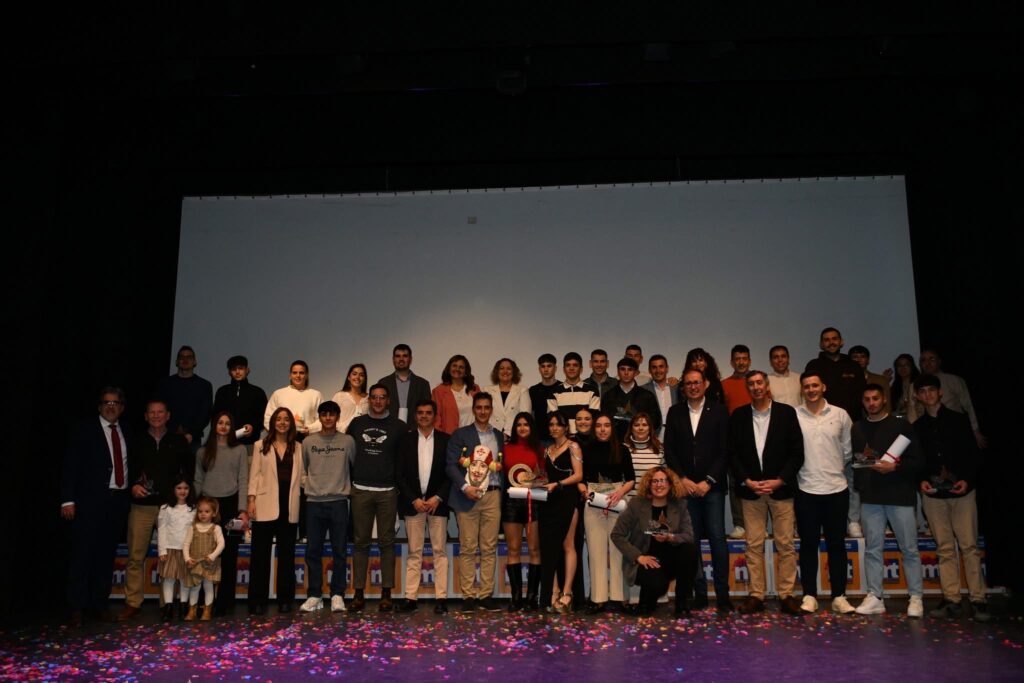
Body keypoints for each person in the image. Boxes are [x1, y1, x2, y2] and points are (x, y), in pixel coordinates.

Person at [728, 370, 804, 615]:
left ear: (767, 385)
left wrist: (780, 480)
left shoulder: (786, 413)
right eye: (751, 384)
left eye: (759, 382)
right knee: (753, 545)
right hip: (752, 491)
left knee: (786, 544)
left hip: (780, 489)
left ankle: (787, 595)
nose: (756, 387)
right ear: (747, 388)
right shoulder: (738, 416)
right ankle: (756, 595)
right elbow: (733, 455)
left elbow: (797, 453)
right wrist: (747, 481)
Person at [914, 374, 989, 621]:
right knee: (944, 548)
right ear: (917, 396)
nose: (928, 395)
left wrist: (967, 479)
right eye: (922, 391)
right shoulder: (918, 427)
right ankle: (951, 598)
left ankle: (978, 599)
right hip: (934, 495)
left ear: (940, 392)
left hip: (962, 490)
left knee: (968, 546)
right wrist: (920, 480)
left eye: (931, 390)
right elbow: (917, 462)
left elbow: (973, 455)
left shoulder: (959, 420)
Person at [851, 384, 925, 618]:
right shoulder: (858, 428)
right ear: (862, 402)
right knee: (873, 549)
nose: (871, 403)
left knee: (909, 549)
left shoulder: (901, 425)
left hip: (900, 497)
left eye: (875, 398)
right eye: (867, 399)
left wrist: (896, 466)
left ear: (883, 400)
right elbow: (858, 461)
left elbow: (918, 462)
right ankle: (875, 596)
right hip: (871, 498)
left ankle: (916, 597)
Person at [61, 387, 133, 626]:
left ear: (122, 407)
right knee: (82, 555)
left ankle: (99, 604)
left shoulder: (128, 431)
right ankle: (76, 608)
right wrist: (68, 499)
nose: (111, 407)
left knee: (105, 556)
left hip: (116, 503)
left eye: (115, 403)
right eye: (106, 403)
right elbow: (71, 465)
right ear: (99, 406)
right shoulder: (84, 430)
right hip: (89, 502)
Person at [663, 368, 732, 612]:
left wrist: (709, 481)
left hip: (711, 488)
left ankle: (723, 595)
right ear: (684, 387)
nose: (692, 387)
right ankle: (699, 593)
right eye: (688, 383)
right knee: (691, 543)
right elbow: (669, 450)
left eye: (696, 383)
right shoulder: (675, 412)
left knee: (717, 539)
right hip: (685, 488)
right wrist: (682, 479)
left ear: (705, 384)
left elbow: (725, 450)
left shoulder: (720, 411)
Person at [119, 399, 192, 621]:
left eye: (161, 412)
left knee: (170, 557)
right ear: (145, 416)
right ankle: (133, 602)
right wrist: (133, 485)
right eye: (152, 412)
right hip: (141, 507)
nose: (156, 416)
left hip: (170, 509)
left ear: (168, 415)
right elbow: (126, 468)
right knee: (135, 557)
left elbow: (187, 471)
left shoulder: (179, 441)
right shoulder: (136, 441)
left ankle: (166, 604)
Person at [794, 372, 856, 615]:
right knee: (808, 544)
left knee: (837, 545)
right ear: (802, 390)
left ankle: (839, 596)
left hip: (836, 489)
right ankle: (810, 595)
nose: (811, 390)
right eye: (807, 386)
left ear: (824, 387)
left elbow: (848, 450)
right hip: (806, 489)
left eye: (815, 385)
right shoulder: (794, 415)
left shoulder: (840, 414)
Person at [346, 385, 406, 612]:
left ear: (388, 400)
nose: (378, 401)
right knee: (360, 542)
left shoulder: (399, 427)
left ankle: (386, 594)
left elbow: (402, 460)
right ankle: (358, 594)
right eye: (374, 397)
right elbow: (348, 456)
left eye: (382, 397)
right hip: (360, 489)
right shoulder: (357, 424)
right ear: (368, 400)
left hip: (388, 491)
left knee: (387, 543)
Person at [446, 392, 505, 612]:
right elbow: (451, 465)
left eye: (486, 407)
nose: (482, 411)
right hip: (466, 496)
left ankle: (486, 595)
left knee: (489, 547)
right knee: (468, 547)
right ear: (474, 409)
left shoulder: (499, 436)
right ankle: (468, 596)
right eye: (479, 407)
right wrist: (465, 487)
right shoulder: (460, 434)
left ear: (491, 409)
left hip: (492, 495)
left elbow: (501, 466)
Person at [611, 466, 697, 616]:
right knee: (659, 584)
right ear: (648, 485)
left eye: (663, 480)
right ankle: (645, 603)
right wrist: (638, 557)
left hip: (670, 559)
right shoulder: (636, 505)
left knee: (689, 550)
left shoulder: (680, 505)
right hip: (645, 560)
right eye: (655, 481)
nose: (659, 485)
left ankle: (682, 605)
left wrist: (671, 537)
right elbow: (617, 534)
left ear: (670, 484)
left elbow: (689, 536)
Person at [299, 401, 355, 614]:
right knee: (313, 551)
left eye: (332, 414)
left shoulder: (348, 441)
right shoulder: (308, 442)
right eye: (324, 414)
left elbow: (353, 466)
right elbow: (303, 469)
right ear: (319, 417)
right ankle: (314, 595)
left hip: (339, 502)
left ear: (337, 417)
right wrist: (312, 487)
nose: (328, 418)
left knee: (339, 550)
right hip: (314, 503)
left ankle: (337, 594)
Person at [247, 407, 302, 615]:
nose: (282, 422)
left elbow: (302, 476)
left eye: (286, 419)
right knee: (259, 555)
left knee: (287, 556)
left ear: (291, 423)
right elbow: (254, 476)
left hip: (289, 506)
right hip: (264, 504)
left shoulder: (298, 447)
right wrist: (251, 500)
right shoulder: (260, 445)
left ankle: (285, 600)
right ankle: (257, 600)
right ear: (272, 423)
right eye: (278, 419)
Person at [397, 400, 451, 614]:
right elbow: (399, 475)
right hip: (414, 504)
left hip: (437, 504)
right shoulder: (405, 440)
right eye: (420, 413)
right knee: (414, 552)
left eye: (428, 413)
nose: (424, 416)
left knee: (440, 551)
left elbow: (451, 473)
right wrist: (413, 499)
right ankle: (410, 597)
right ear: (415, 416)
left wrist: (438, 497)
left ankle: (441, 598)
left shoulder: (446, 440)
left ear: (435, 416)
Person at [193, 411, 249, 616]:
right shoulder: (203, 451)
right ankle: (201, 601)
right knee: (204, 553)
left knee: (229, 554)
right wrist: (195, 508)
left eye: (228, 423)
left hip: (231, 505)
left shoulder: (240, 449)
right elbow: (198, 480)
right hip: (208, 505)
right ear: (214, 426)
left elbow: (243, 480)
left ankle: (225, 601)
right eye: (220, 423)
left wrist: (242, 510)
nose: (224, 426)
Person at [582, 413, 635, 613]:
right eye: (598, 426)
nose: (602, 429)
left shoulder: (622, 449)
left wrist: (619, 493)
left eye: (606, 425)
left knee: (618, 550)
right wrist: (586, 492)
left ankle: (620, 598)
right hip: (593, 499)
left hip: (618, 499)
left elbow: (631, 479)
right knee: (595, 552)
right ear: (594, 429)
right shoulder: (586, 450)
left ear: (612, 428)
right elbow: (581, 479)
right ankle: (598, 599)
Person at [539, 412, 584, 613]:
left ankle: (567, 592)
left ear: (566, 427)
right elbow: (543, 477)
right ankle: (553, 591)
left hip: (567, 498)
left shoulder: (573, 446)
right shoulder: (546, 450)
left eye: (559, 424)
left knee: (568, 544)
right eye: (551, 424)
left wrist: (558, 484)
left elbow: (579, 475)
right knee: (550, 547)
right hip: (549, 501)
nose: (554, 427)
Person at [501, 412, 543, 611]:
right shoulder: (505, 449)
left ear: (531, 427)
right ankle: (516, 597)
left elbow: (545, 477)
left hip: (533, 502)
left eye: (526, 424)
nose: (522, 428)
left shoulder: (539, 449)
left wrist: (534, 480)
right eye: (519, 424)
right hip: (510, 502)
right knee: (514, 549)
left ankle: (532, 597)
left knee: (535, 549)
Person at [919, 347, 987, 448]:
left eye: (931, 359)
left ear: (939, 361)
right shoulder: (917, 384)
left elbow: (968, 406)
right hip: (930, 432)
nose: (927, 363)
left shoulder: (954, 380)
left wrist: (975, 431)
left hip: (955, 429)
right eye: (923, 360)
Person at [158, 345, 213, 454]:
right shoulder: (165, 384)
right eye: (182, 357)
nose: (185, 360)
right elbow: (160, 408)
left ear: (195, 362)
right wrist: (172, 430)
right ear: (177, 361)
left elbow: (206, 413)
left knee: (191, 470)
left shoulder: (204, 385)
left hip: (193, 439)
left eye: (189, 357)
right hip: (167, 436)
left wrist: (191, 433)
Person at [157, 477, 196, 621]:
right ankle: (168, 607)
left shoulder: (193, 509)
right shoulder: (165, 508)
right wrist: (162, 550)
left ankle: (183, 606)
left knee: (184, 579)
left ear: (190, 490)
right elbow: (161, 530)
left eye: (185, 488)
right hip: (170, 549)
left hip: (186, 551)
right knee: (169, 579)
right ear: (173, 490)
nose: (182, 491)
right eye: (179, 488)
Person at [804, 327, 866, 418]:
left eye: (834, 339)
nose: (831, 343)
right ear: (821, 344)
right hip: (823, 418)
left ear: (841, 342)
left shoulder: (853, 365)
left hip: (852, 418)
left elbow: (862, 392)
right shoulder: (813, 366)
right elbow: (810, 393)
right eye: (827, 340)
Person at [183, 496, 225, 621]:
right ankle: (192, 610)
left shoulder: (216, 528)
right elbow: (186, 544)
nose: (203, 514)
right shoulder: (193, 527)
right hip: (195, 563)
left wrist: (212, 556)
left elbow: (221, 544)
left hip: (209, 564)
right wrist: (187, 558)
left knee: (208, 587)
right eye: (200, 511)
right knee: (195, 587)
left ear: (213, 513)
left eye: (207, 511)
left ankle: (207, 611)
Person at [212, 355, 267, 450]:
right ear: (229, 372)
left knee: (249, 464)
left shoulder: (257, 392)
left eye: (240, 368)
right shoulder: (222, 391)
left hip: (250, 443)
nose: (237, 372)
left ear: (247, 370)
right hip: (225, 443)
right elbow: (215, 416)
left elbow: (264, 417)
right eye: (234, 369)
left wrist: (253, 427)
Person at [603, 357, 662, 443]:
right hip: (615, 443)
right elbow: (604, 421)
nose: (626, 373)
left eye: (630, 369)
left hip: (641, 443)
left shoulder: (647, 396)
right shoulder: (608, 395)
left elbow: (655, 421)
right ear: (618, 372)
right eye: (622, 369)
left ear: (635, 373)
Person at [264, 360, 323, 437]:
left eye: (301, 373)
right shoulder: (278, 394)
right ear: (290, 375)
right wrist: (280, 432)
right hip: (283, 439)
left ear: (307, 375)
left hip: (307, 439)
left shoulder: (316, 395)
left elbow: (322, 419)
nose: (298, 376)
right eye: (294, 373)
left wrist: (310, 429)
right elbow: (268, 418)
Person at [377, 344, 432, 424]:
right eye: (398, 356)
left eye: (405, 356)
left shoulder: (423, 384)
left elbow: (427, 411)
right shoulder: (383, 383)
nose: (401, 359)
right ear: (393, 359)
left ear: (410, 359)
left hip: (415, 431)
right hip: (389, 430)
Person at [548, 352, 600, 434]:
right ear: (564, 369)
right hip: (563, 440)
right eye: (568, 365)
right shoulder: (554, 392)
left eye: (575, 365)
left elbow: (593, 418)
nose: (571, 368)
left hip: (586, 440)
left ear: (581, 369)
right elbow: (555, 420)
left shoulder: (592, 391)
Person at [483, 358, 533, 438]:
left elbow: (525, 417)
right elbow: (483, 415)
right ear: (497, 372)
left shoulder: (522, 390)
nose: (505, 371)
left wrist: (508, 434)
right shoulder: (486, 391)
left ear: (514, 372)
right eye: (502, 368)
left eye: (509, 369)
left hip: (515, 436)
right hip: (491, 435)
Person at [432, 355, 479, 434]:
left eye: (461, 367)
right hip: (450, 437)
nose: (457, 369)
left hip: (473, 436)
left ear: (466, 371)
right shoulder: (438, 391)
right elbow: (436, 418)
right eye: (454, 366)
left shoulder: (475, 389)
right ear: (449, 368)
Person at [642, 354, 679, 440]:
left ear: (667, 368)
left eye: (661, 366)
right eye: (654, 367)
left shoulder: (677, 388)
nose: (658, 370)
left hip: (675, 436)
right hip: (651, 436)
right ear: (649, 370)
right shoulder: (642, 390)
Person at [624, 412, 664, 489]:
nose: (641, 428)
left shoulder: (660, 450)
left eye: (644, 425)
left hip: (652, 498)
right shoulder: (623, 449)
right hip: (627, 499)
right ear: (631, 429)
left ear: (650, 428)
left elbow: (664, 479)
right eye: (636, 425)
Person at [529, 353, 560, 443]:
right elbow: (532, 415)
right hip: (539, 439)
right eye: (543, 366)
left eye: (549, 366)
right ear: (539, 369)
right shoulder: (533, 390)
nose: (546, 369)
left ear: (555, 368)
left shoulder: (562, 388)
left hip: (559, 438)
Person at [332, 363, 369, 433]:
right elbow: (331, 418)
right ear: (349, 377)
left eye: (361, 375)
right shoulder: (339, 396)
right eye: (354, 374)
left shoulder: (369, 398)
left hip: (362, 438)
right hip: (342, 438)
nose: (357, 377)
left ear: (364, 379)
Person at [721, 345, 753, 414]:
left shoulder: (759, 383)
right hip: (732, 424)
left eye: (744, 359)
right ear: (732, 363)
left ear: (749, 362)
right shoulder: (723, 385)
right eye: (737, 359)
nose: (741, 363)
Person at [889, 353, 922, 423]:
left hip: (918, 419)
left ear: (912, 367)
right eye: (899, 365)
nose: (903, 368)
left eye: (906, 365)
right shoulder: (895, 387)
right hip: (900, 422)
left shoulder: (919, 384)